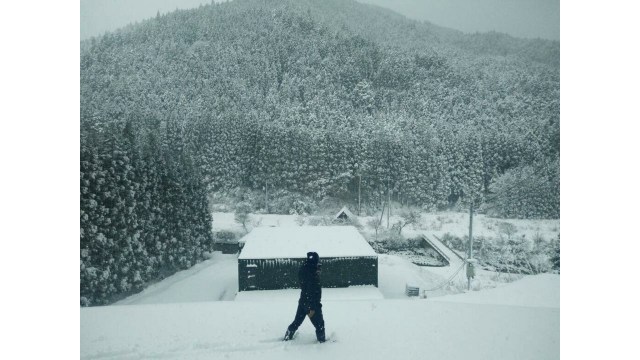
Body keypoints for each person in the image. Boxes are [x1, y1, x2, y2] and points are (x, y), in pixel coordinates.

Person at [283, 251, 326, 342]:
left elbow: (305, 286)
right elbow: (311, 291)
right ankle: (322, 341)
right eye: (317, 262)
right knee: (319, 324)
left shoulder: (304, 269)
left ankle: (288, 335)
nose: (319, 265)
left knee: (297, 322)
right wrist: (313, 307)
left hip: (303, 302)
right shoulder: (312, 275)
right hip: (311, 305)